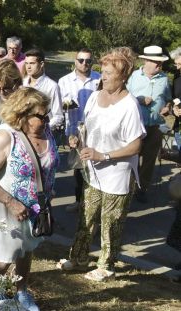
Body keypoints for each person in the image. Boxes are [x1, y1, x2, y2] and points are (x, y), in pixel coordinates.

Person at [57, 47, 146, 282]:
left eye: (109, 73)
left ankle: (106, 266)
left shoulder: (130, 106)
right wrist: (78, 138)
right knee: (86, 216)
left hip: (118, 175)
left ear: (123, 76)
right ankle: (78, 259)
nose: (103, 76)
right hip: (93, 172)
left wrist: (103, 155)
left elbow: (136, 146)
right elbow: (87, 125)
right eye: (102, 71)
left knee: (111, 223)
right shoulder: (96, 97)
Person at [0, 87, 59, 310]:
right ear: (23, 115)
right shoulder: (5, 137)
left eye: (47, 114)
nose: (47, 119)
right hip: (6, 208)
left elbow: (46, 165)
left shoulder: (45, 131)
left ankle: (21, 291)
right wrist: (10, 202)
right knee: (4, 256)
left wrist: (49, 189)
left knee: (26, 249)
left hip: (34, 208)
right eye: (41, 116)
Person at [127, 45, 171, 203]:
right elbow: (124, 97)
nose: (159, 65)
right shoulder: (133, 77)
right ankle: (129, 187)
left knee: (149, 160)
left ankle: (142, 188)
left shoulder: (164, 79)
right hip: (136, 126)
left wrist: (167, 108)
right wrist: (138, 99)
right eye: (155, 61)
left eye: (160, 62)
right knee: (132, 157)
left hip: (155, 127)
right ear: (145, 60)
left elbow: (168, 99)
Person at [58, 48, 100, 212]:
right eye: (81, 60)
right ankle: (79, 200)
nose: (84, 64)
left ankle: (91, 202)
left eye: (88, 61)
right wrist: (66, 105)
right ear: (75, 61)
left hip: (95, 129)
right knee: (79, 167)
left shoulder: (99, 79)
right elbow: (58, 106)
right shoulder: (64, 81)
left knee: (94, 166)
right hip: (74, 130)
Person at [22, 48, 64, 131]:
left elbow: (58, 116)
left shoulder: (52, 86)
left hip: (42, 134)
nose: (28, 67)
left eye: (32, 63)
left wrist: (43, 129)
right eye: (26, 63)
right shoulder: (23, 83)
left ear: (41, 64)